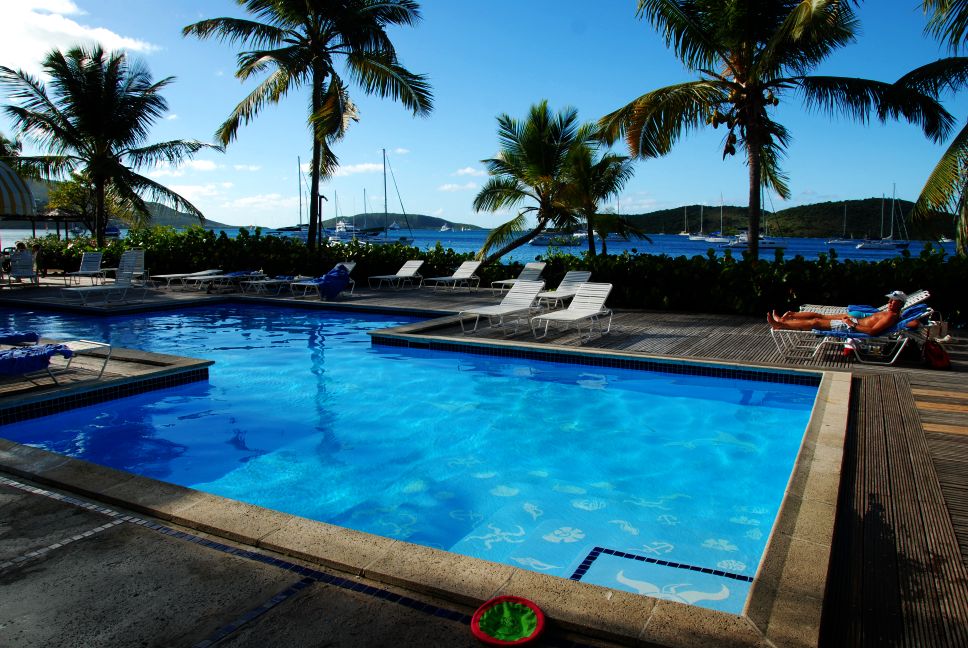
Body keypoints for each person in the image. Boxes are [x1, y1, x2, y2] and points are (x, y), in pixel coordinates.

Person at [767, 291, 909, 336]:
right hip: (853, 322)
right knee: (817, 319)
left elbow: (872, 331)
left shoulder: (891, 316)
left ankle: (781, 325)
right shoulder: (891, 314)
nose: (890, 302)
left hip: (852, 326)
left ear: (900, 303)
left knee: (816, 322)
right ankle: (783, 322)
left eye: (894, 301)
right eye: (890, 300)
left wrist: (851, 324)